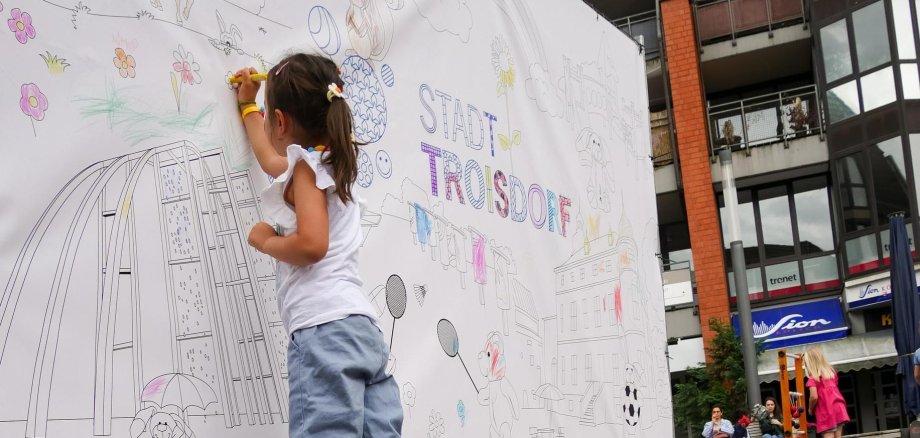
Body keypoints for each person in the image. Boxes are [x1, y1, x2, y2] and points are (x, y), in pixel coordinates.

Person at [234, 54, 402, 437]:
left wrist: (268, 241)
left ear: (280, 120)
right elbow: (269, 157)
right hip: (362, 333)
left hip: (324, 330)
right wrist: (248, 105)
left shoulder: (307, 171)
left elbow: (312, 244)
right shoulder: (333, 165)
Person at [804, 347, 849, 438]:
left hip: (826, 412)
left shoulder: (813, 379)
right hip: (839, 408)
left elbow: (814, 397)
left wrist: (810, 409)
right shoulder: (831, 373)